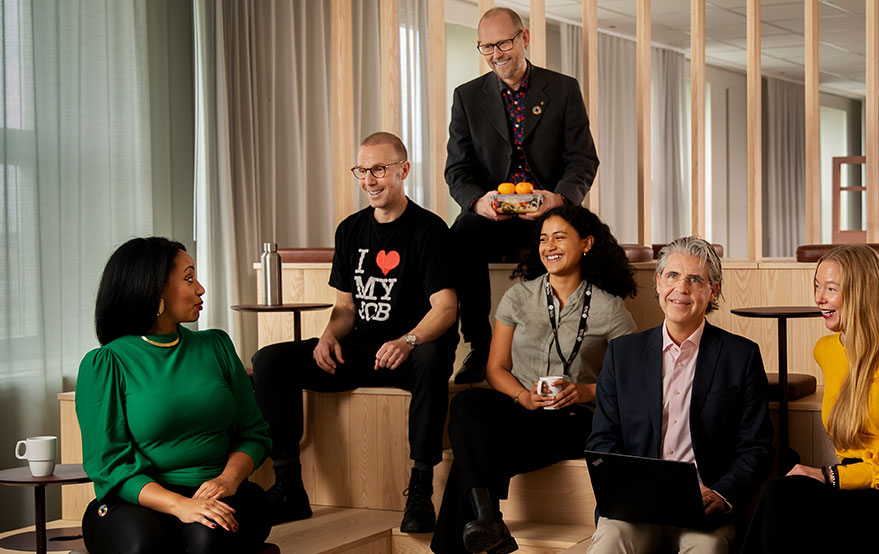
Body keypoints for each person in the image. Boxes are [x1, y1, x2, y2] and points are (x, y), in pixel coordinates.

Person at [252, 132, 458, 532]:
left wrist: (407, 340)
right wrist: (329, 334)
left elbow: (446, 308)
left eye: (379, 169)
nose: (370, 180)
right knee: (270, 360)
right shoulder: (349, 230)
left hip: (410, 352)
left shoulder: (430, 230)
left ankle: (419, 491)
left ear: (403, 170)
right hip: (361, 349)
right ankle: (288, 484)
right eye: (362, 171)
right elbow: (346, 307)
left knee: (433, 361)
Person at [430, 204, 637, 554]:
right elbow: (496, 368)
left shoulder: (609, 308)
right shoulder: (519, 296)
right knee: (466, 403)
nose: (549, 246)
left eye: (559, 237)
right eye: (543, 239)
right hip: (520, 406)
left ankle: (482, 525)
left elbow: (633, 381)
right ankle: (488, 517)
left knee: (475, 450)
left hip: (574, 418)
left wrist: (584, 390)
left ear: (586, 244)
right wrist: (524, 397)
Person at [76, 237, 272, 553]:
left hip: (221, 493)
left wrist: (227, 481)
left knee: (205, 539)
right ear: (154, 290)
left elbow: (253, 434)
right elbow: (109, 463)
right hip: (139, 501)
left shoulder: (217, 347)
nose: (201, 289)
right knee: (143, 544)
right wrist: (179, 505)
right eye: (189, 278)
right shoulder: (106, 363)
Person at [740, 243, 879, 554]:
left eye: (830, 288)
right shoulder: (827, 350)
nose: (819, 298)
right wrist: (834, 477)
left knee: (783, 500)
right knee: (781, 492)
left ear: (861, 293)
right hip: (849, 482)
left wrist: (829, 475)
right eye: (817, 286)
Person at [585, 237, 774, 554]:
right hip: (634, 510)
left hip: (706, 510)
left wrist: (722, 493)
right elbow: (602, 439)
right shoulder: (622, 354)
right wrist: (626, 492)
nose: (681, 288)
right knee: (607, 547)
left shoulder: (741, 357)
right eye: (672, 276)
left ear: (712, 291)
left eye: (695, 279)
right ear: (658, 282)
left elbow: (756, 448)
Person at [445, 6, 599, 384]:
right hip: (493, 214)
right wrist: (478, 202)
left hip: (550, 210)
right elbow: (457, 170)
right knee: (460, 233)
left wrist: (559, 199)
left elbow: (582, 161)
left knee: (583, 238)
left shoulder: (563, 89)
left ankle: (563, 349)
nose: (496, 54)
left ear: (524, 38)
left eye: (504, 43)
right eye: (486, 47)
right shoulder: (466, 97)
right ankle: (480, 347)